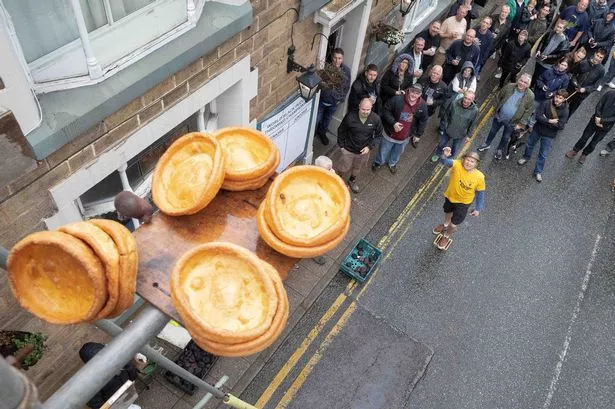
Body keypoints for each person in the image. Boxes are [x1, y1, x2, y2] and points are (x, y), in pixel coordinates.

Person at [432, 148, 485, 251]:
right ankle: (445, 225)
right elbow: (444, 162)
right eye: (467, 160)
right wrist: (445, 155)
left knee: (454, 224)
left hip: (463, 203)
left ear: (476, 164)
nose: (469, 163)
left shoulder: (479, 177)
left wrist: (478, 208)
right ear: (463, 159)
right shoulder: (457, 164)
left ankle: (446, 236)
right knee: (447, 212)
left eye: (472, 161)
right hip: (450, 197)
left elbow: (480, 193)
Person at [478, 74, 535, 160]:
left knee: (505, 137)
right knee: (493, 131)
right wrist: (495, 110)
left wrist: (520, 123)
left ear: (528, 85)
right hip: (499, 116)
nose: (522, 83)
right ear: (518, 80)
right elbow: (498, 97)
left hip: (513, 122)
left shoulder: (530, 96)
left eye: (525, 82)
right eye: (521, 80)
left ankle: (500, 149)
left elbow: (528, 111)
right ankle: (487, 144)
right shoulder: (509, 86)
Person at [373, 84, 428, 172]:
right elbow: (386, 110)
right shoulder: (397, 99)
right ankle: (378, 162)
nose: (414, 95)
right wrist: (393, 123)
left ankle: (392, 163)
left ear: (420, 94)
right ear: (409, 90)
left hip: (405, 137)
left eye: (417, 93)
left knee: (398, 152)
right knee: (383, 150)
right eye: (413, 91)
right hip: (390, 133)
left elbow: (423, 120)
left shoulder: (422, 105)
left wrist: (418, 134)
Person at [517, 89, 570, 182]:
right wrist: (550, 121)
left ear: (564, 100)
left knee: (543, 154)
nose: (557, 99)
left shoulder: (565, 111)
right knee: (530, 145)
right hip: (538, 130)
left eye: (560, 98)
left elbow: (561, 126)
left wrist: (545, 119)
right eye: (556, 97)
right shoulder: (546, 103)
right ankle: (525, 157)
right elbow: (538, 116)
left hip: (549, 135)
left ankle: (538, 171)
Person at [336, 98, 383, 193]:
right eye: (363, 109)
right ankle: (338, 179)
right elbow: (341, 131)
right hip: (348, 150)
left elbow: (379, 136)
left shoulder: (376, 119)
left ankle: (352, 180)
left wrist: (369, 147)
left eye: (368, 109)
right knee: (343, 167)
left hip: (363, 152)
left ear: (371, 108)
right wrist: (342, 147)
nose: (365, 112)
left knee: (357, 168)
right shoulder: (350, 117)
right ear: (359, 107)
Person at [79, 342, 145, 409]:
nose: (108, 360)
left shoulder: (117, 360)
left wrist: (132, 365)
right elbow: (96, 404)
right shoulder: (90, 382)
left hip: (127, 397)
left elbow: (132, 377)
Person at [565, 89, 615, 164]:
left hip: (605, 126)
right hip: (594, 120)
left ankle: (585, 154)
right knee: (584, 137)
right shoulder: (610, 93)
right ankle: (575, 150)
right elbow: (599, 105)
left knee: (594, 143)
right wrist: (598, 117)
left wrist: (602, 121)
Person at [315, 48, 351, 145]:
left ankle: (322, 133)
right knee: (317, 118)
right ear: (332, 58)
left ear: (342, 59)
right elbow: (319, 83)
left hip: (334, 102)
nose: (337, 60)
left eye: (339, 58)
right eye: (335, 58)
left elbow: (347, 85)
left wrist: (341, 98)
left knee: (327, 119)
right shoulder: (326, 69)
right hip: (322, 100)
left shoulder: (346, 71)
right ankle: (313, 134)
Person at [431, 90, 478, 162]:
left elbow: (473, 124)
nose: (466, 100)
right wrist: (445, 126)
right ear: (463, 96)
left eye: (469, 99)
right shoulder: (454, 103)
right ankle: (438, 154)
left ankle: (450, 159)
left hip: (461, 134)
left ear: (472, 100)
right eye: (465, 97)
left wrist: (468, 135)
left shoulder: (475, 111)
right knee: (441, 144)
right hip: (448, 130)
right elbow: (446, 115)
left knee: (455, 148)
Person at [567, 48, 606, 115]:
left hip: (582, 95)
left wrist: (585, 89)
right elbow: (573, 75)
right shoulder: (584, 62)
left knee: (571, 110)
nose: (598, 58)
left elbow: (596, 85)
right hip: (572, 89)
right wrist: (576, 84)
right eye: (597, 55)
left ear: (603, 59)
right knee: (562, 105)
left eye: (601, 57)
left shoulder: (601, 70)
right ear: (594, 54)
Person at [533, 20, 570, 84]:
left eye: (560, 27)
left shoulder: (565, 41)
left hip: (548, 63)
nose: (557, 28)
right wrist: (539, 50)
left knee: (541, 79)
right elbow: (542, 41)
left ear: (564, 29)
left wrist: (548, 57)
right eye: (557, 26)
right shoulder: (550, 33)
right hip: (540, 59)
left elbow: (560, 55)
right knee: (534, 75)